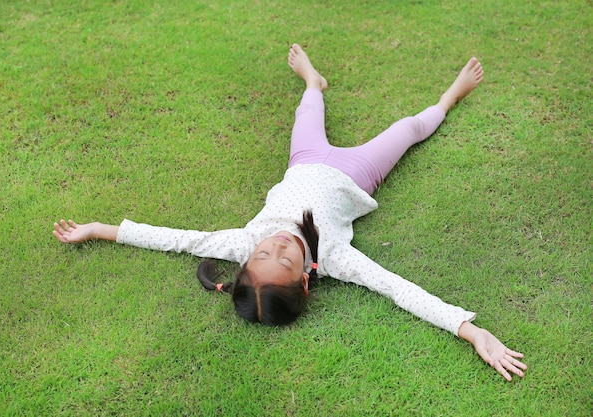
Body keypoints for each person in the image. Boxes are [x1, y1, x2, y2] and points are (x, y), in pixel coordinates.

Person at [53, 44, 527, 381]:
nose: (277, 246)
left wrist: (100, 229)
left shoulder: (241, 242)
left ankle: (312, 81)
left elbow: (176, 238)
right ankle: (449, 97)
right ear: (304, 279)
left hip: (303, 161)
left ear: (245, 259)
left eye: (262, 253)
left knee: (308, 112)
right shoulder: (334, 256)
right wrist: (470, 330)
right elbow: (397, 289)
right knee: (407, 128)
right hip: (356, 173)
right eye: (282, 260)